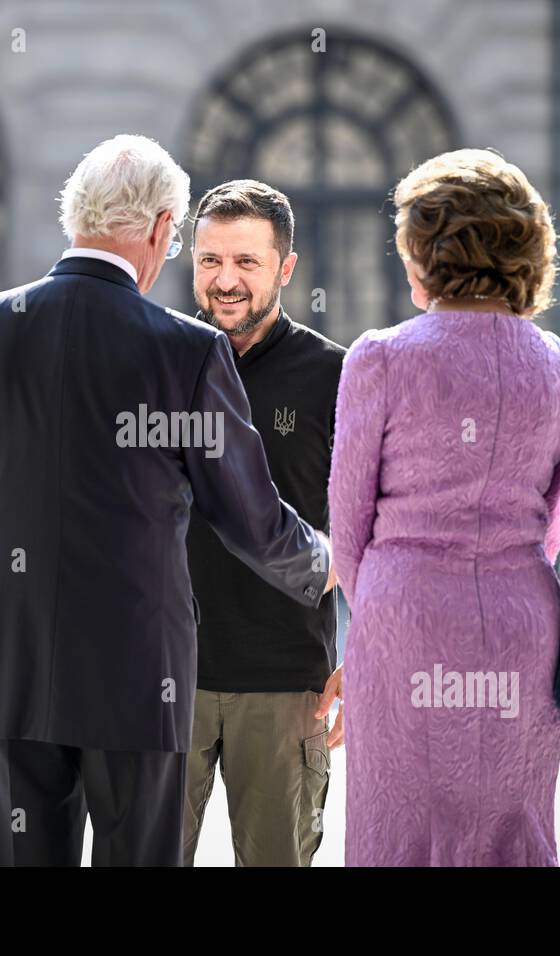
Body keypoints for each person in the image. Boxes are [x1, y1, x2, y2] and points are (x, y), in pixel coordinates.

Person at [0, 135, 335, 867]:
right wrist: (327, 562)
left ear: (76, 215)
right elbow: (250, 517)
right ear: (166, 229)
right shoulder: (188, 349)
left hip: (10, 666)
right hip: (141, 678)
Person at [324, 148, 560, 866]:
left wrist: (383, 622)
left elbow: (348, 529)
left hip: (404, 613)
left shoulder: (379, 358)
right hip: (522, 617)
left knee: (400, 827)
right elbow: (553, 520)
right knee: (512, 822)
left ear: (426, 253)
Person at [180, 180, 345, 867]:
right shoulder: (157, 361)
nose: (225, 280)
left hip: (285, 687)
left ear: (285, 268)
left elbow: (370, 528)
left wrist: (364, 657)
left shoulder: (335, 375)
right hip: (164, 678)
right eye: (210, 260)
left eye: (246, 262)